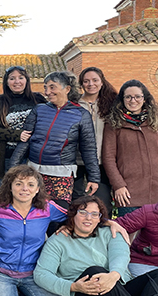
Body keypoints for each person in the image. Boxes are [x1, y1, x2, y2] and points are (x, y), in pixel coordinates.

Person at [0, 165, 68, 296]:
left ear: (37, 189)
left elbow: (78, 217)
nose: (24, 189)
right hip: (1, 272)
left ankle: (24, 295)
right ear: (10, 187)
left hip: (35, 273)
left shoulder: (47, 208)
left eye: (30, 185)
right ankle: (12, 295)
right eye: (18, 183)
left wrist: (110, 223)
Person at [10, 71, 99, 204]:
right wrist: (13, 169)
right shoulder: (39, 110)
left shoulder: (81, 115)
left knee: (58, 215)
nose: (47, 92)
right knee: (34, 213)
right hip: (34, 173)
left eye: (52, 87)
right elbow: (25, 142)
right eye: (45, 87)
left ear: (67, 89)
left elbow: (88, 149)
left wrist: (94, 178)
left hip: (61, 175)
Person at [102, 80, 158, 217]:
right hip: (129, 193)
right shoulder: (113, 124)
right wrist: (118, 185)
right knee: (130, 236)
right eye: (128, 97)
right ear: (122, 100)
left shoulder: (155, 121)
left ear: (144, 98)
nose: (132, 100)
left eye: (137, 96)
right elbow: (108, 158)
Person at [0, 66, 46, 187]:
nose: (17, 81)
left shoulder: (38, 100)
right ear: (7, 82)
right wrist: (17, 135)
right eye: (12, 78)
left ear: (26, 80)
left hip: (33, 157)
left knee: (30, 194)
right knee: (6, 196)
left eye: (21, 77)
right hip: (6, 158)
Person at [74, 67, 118, 216]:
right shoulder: (74, 105)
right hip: (77, 161)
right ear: (81, 84)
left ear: (101, 82)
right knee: (76, 202)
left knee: (103, 202)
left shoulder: (112, 104)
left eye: (94, 80)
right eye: (86, 81)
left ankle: (103, 233)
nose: (90, 84)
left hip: (102, 160)